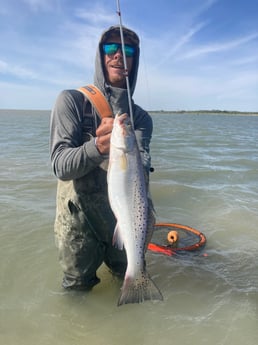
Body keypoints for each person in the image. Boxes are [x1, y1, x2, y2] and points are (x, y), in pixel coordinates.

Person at [50, 25, 154, 291]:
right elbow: (60, 166)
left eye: (128, 50)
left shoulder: (141, 119)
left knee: (127, 272)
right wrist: (96, 147)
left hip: (123, 218)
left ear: (135, 60)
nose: (119, 55)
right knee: (76, 290)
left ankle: (136, 288)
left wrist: (124, 148)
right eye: (111, 48)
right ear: (101, 56)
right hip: (78, 223)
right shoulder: (71, 101)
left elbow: (140, 167)